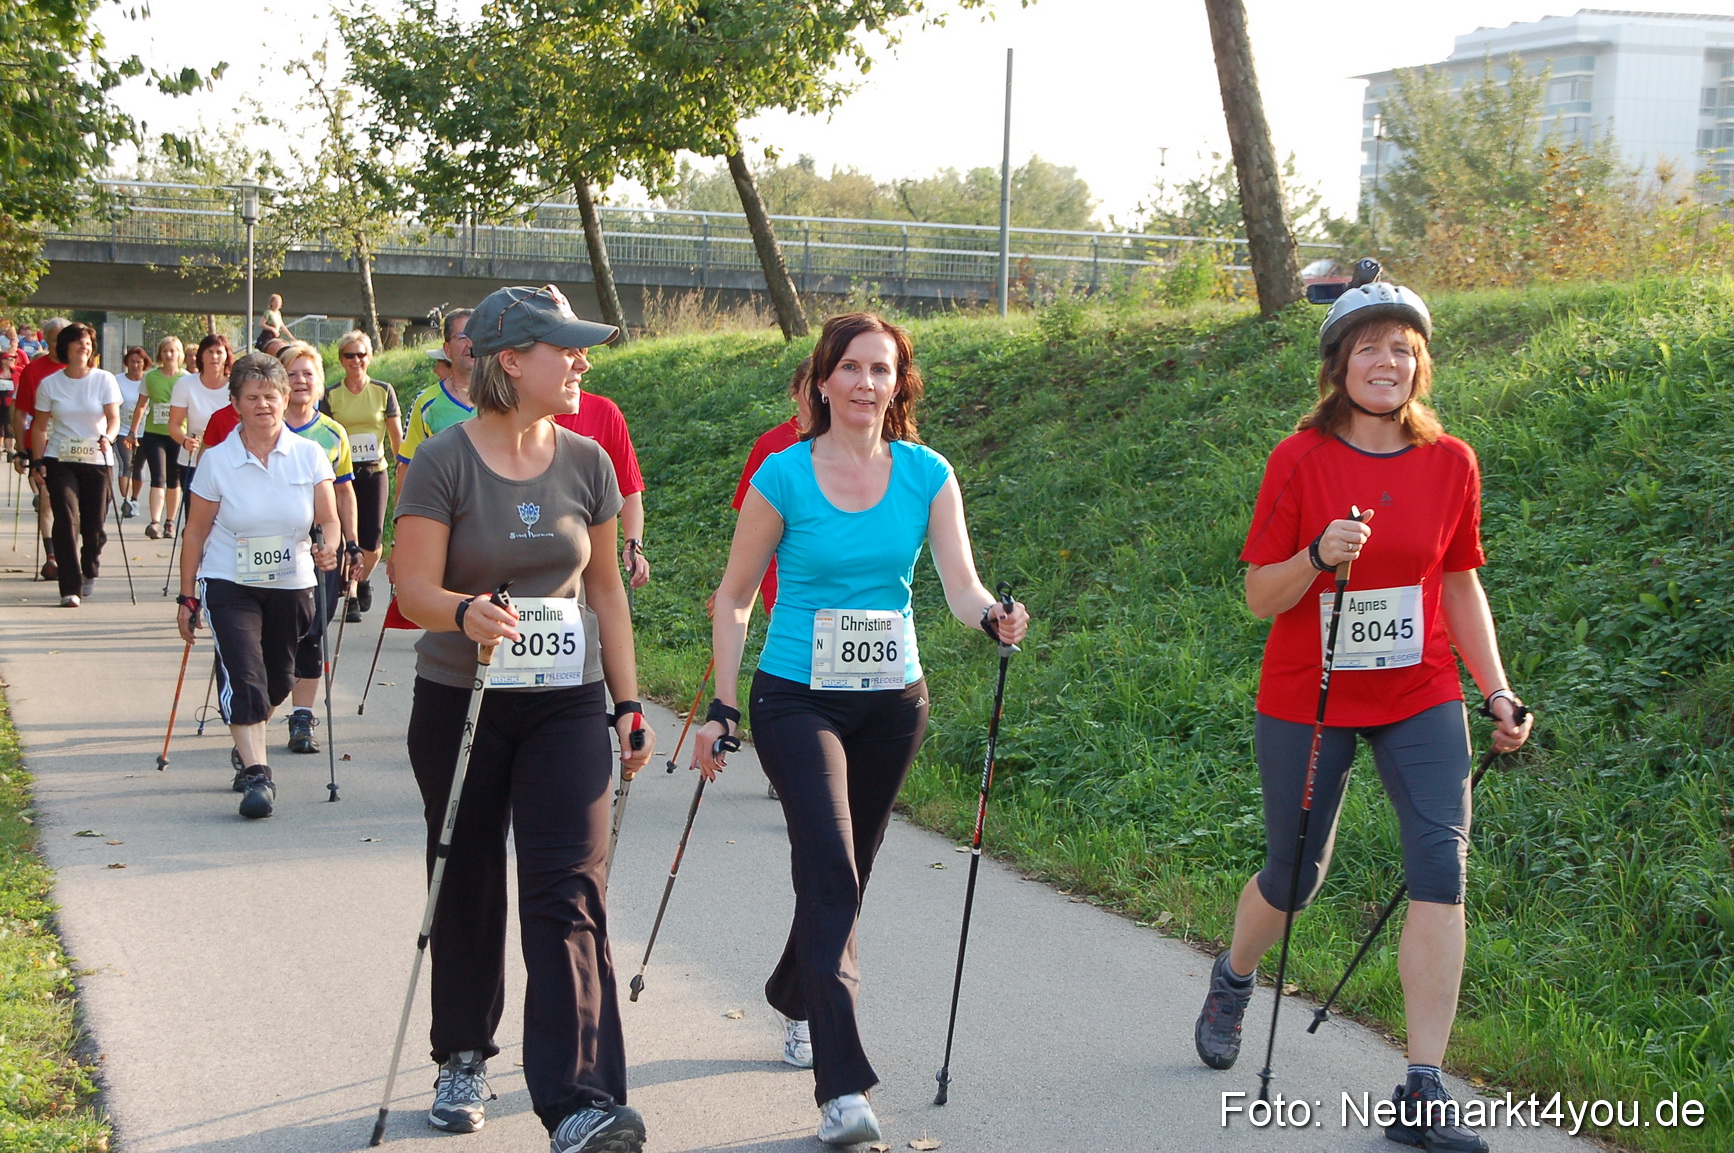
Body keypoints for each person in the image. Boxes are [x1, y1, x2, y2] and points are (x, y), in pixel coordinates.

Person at [1191, 278, 1533, 1153]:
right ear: (1339, 365)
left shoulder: (1450, 460)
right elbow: (1259, 595)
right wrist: (1315, 553)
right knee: (1296, 875)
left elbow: (1459, 582)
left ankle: (1423, 1086)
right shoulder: (1299, 460)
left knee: (1440, 867)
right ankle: (1234, 975)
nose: (1390, 362)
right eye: (1371, 347)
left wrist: (1493, 687)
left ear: (1422, 363)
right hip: (1312, 694)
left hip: (1420, 694)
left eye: (1404, 347)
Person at [693, 312, 1029, 1147]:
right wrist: (724, 702)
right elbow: (734, 595)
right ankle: (842, 1086)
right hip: (796, 698)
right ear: (822, 380)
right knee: (831, 867)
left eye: (882, 369)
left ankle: (795, 988)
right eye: (851, 367)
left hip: (891, 704)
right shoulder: (784, 475)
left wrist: (994, 617)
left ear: (899, 383)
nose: (866, 383)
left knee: (849, 867)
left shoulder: (926, 473)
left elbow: (959, 584)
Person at [393, 284, 654, 1152]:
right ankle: (462, 1051)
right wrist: (463, 612)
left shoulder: (590, 461)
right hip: (462, 702)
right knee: (467, 877)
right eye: (566, 348)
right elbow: (413, 588)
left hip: (567, 706)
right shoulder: (441, 459)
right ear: (511, 360)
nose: (582, 361)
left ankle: (581, 1098)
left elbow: (608, 592)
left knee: (569, 889)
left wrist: (627, 701)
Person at [176, 353, 340, 820]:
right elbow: (196, 532)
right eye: (252, 397)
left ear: (286, 399)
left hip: (292, 581)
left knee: (279, 677)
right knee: (244, 671)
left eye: (272, 396)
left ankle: (246, 729)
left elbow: (328, 520)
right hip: (229, 578)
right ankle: (257, 774)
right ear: (236, 404)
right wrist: (188, 596)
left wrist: (329, 547)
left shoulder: (309, 454)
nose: (263, 405)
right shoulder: (218, 461)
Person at [29, 323, 121, 607]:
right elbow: (40, 426)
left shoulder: (104, 380)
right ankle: (70, 586)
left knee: (93, 525)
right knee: (66, 520)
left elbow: (114, 418)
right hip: (61, 459)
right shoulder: (50, 384)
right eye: (79, 342)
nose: (85, 347)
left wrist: (108, 436)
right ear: (66, 347)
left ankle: (90, 567)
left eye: (89, 343)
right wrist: (37, 459)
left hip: (96, 458)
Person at [320, 330, 403, 622]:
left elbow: (396, 438)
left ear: (369, 357)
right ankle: (351, 594)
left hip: (374, 471)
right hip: (341, 474)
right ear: (341, 359)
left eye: (361, 354)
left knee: (373, 540)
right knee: (345, 537)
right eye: (349, 355)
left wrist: (402, 466)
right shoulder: (330, 394)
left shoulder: (383, 390)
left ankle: (363, 578)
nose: (356, 360)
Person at [552, 386, 649, 591]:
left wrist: (633, 545)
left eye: (581, 353)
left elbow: (629, 490)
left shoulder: (605, 411)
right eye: (565, 353)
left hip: (591, 558)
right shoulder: (522, 416)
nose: (580, 365)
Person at [13, 316, 69, 578]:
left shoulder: (83, 368)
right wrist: (21, 450)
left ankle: (70, 550)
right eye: (57, 340)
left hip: (76, 448)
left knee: (72, 507)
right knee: (48, 502)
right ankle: (52, 557)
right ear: (47, 340)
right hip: (42, 448)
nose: (63, 345)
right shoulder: (34, 370)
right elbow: (21, 412)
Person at [395, 308, 474, 489]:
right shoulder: (426, 403)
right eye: (462, 337)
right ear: (447, 349)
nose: (471, 343)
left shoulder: (503, 399)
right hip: (442, 506)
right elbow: (407, 466)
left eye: (476, 335)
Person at [169, 334, 236, 511]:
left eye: (219, 352)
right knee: (195, 515)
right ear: (201, 356)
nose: (215, 357)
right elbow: (174, 424)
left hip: (229, 460)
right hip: (193, 460)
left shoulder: (235, 386)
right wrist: (185, 441)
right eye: (210, 352)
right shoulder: (185, 384)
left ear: (226, 356)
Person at [132, 336, 187, 539]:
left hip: (178, 434)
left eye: (173, 350)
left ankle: (170, 522)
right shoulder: (151, 377)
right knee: (158, 477)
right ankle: (155, 521)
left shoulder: (186, 378)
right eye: (165, 350)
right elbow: (141, 406)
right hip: (154, 433)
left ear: (180, 354)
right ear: (160, 354)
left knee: (174, 480)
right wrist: (133, 431)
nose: (169, 354)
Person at [115, 346, 151, 518]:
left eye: (139, 362)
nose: (135, 365)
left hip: (145, 430)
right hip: (123, 430)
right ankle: (126, 500)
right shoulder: (117, 380)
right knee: (125, 465)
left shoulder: (149, 380)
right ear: (126, 363)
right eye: (132, 362)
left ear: (144, 364)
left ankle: (135, 499)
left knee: (139, 467)